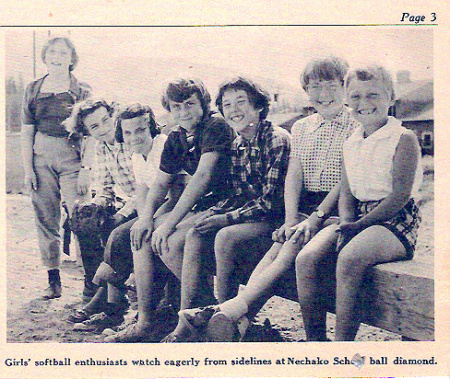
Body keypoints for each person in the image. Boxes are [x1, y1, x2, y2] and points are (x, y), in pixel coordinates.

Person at [175, 57, 360, 342]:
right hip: (303, 208)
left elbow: (345, 182)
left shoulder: (354, 124)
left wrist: (310, 219)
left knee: (288, 248)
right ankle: (230, 317)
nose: (322, 94)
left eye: (330, 85)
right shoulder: (302, 127)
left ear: (345, 87)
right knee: (280, 245)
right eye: (314, 87)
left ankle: (234, 312)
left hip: (338, 208)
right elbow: (293, 178)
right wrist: (290, 219)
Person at [296, 64, 422, 341]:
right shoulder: (351, 142)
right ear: (346, 99)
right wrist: (345, 224)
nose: (364, 103)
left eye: (373, 95)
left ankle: (342, 347)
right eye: (355, 97)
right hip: (357, 220)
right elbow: (347, 192)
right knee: (305, 258)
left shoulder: (404, 138)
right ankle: (315, 342)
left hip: (394, 221)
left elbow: (400, 196)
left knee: (349, 258)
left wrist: (358, 226)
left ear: (391, 98)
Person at [104, 78, 234, 342]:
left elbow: (201, 178)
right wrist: (144, 220)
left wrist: (167, 223)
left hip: (226, 202)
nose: (183, 112)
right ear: (170, 109)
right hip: (202, 206)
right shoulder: (177, 135)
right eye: (176, 107)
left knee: (169, 241)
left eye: (190, 104)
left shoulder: (215, 125)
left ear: (203, 103)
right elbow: (160, 183)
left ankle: (195, 317)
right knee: (141, 236)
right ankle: (145, 321)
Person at [162, 76, 291, 342]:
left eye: (241, 102)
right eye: (227, 104)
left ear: (258, 105)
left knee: (224, 235)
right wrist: (214, 214)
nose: (234, 110)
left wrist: (225, 220)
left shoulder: (275, 139)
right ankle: (190, 319)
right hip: (249, 214)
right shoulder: (238, 144)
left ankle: (226, 315)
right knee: (196, 232)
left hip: (275, 218)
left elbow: (270, 203)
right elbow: (236, 194)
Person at [21, 35, 92, 300]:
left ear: (72, 58)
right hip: (41, 158)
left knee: (82, 217)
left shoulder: (82, 89)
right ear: (45, 57)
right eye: (53, 52)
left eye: (63, 53)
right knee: (45, 218)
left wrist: (86, 168)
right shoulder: (33, 88)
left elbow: (91, 133)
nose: (58, 57)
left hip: (72, 158)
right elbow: (27, 132)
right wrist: (28, 169)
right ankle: (53, 280)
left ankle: (91, 281)